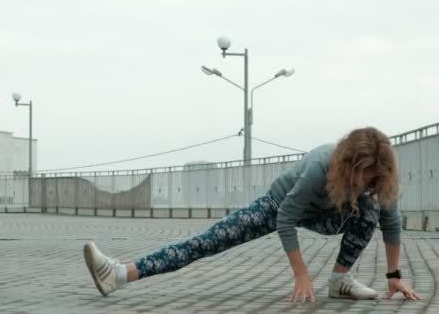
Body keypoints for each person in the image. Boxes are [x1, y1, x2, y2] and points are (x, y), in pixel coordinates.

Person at [83, 127, 422, 301]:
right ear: (348, 162)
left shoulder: (379, 178)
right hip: (279, 205)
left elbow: (391, 223)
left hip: (328, 214)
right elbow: (286, 218)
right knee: (208, 241)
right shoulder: (321, 165)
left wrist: (393, 274)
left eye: (373, 176)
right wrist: (301, 274)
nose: (366, 180)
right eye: (362, 173)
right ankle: (120, 274)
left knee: (372, 209)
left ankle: (339, 281)